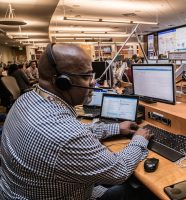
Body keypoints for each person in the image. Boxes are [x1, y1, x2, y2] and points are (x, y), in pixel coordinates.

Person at [0, 43, 154, 200]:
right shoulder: (67, 135)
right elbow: (119, 170)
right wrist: (139, 139)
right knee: (137, 191)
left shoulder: (25, 99)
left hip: (19, 191)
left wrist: (116, 128)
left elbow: (74, 132)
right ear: (62, 82)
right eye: (86, 76)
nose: (93, 82)